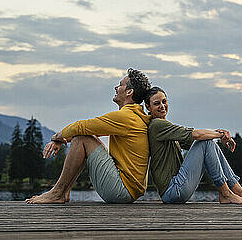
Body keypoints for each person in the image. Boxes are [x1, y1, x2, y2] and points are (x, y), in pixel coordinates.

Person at [26, 68, 151, 204]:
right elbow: (90, 130)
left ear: (129, 92)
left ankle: (57, 193)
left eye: (120, 85)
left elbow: (81, 127)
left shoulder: (126, 117)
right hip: (129, 190)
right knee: (84, 136)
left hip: (121, 191)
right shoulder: (135, 117)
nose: (116, 88)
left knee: (82, 138)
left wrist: (56, 138)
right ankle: (64, 192)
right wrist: (63, 140)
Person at [145, 86, 242, 204]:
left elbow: (197, 142)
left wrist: (219, 134)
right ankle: (226, 193)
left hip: (177, 189)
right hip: (173, 191)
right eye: (156, 103)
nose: (162, 106)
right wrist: (222, 135)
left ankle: (237, 190)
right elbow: (197, 135)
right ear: (148, 107)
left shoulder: (166, 128)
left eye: (164, 101)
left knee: (208, 142)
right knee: (206, 141)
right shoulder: (157, 125)